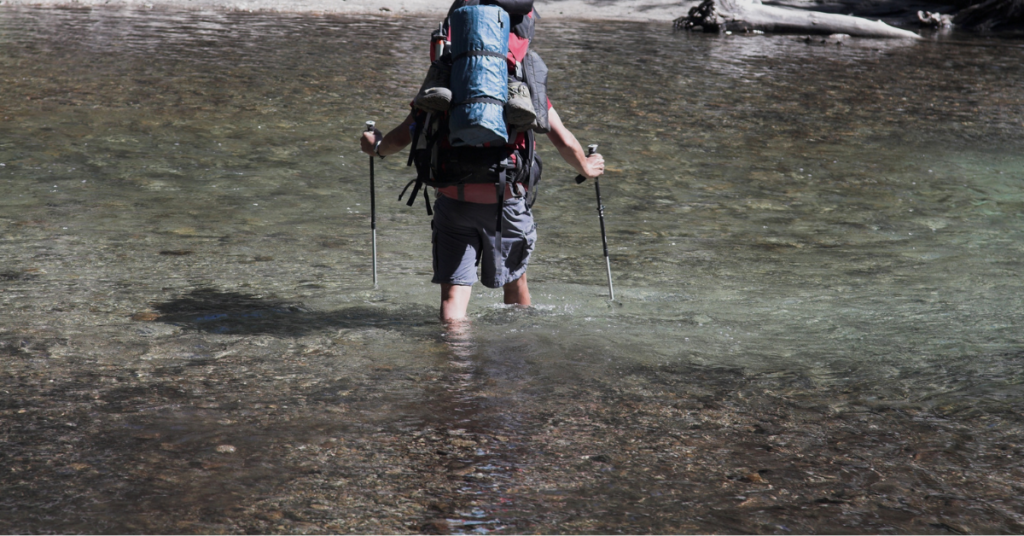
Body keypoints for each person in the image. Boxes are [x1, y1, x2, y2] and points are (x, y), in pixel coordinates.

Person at [359, 10, 604, 324]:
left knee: (452, 299)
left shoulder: (443, 82)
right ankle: (516, 361)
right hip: (508, 201)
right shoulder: (521, 82)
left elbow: (404, 136)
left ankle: (456, 367)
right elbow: (563, 140)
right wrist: (587, 166)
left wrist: (376, 147)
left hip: (454, 201)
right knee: (515, 286)